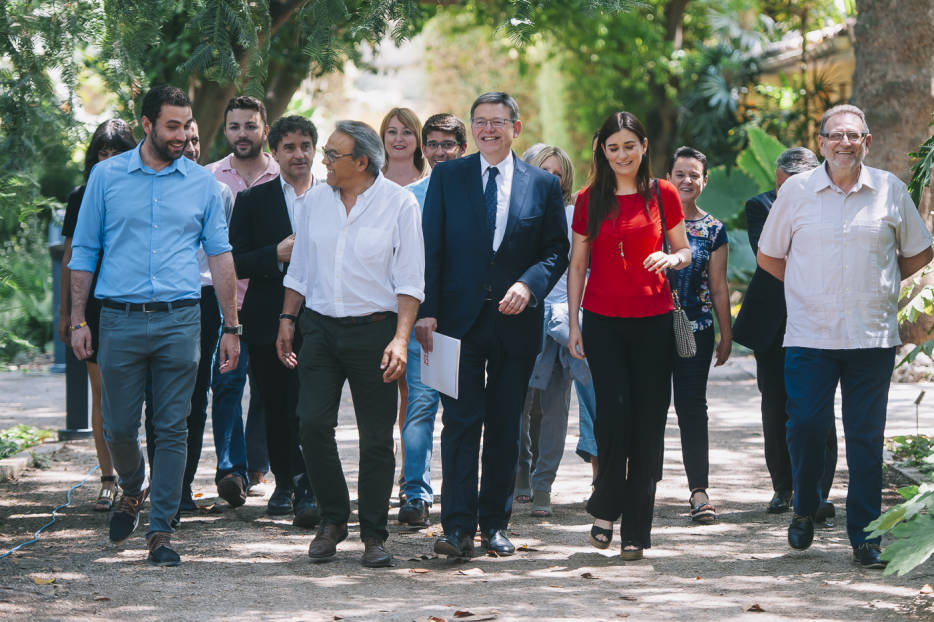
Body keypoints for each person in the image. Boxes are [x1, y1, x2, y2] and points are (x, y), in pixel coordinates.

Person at [69, 85, 241, 566]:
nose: (183, 135)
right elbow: (83, 252)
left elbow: (220, 255)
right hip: (118, 320)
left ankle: (161, 531)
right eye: (172, 125)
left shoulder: (203, 185)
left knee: (173, 427)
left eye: (187, 125)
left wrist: (232, 326)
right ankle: (131, 485)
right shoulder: (106, 178)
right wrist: (78, 318)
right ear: (146, 124)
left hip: (179, 319)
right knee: (119, 426)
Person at [757, 104, 934, 569]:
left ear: (866, 143)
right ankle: (805, 506)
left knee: (865, 441)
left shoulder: (890, 191)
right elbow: (770, 257)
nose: (844, 143)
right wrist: (809, 292)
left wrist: (877, 284)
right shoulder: (796, 192)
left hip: (870, 337)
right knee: (807, 429)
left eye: (853, 136)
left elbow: (917, 252)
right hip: (809, 337)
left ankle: (866, 537)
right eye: (835, 135)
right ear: (820, 143)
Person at [416, 92, 570, 558]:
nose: (487, 130)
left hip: (516, 321)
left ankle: (495, 524)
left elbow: (554, 252)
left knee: (505, 424)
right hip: (455, 323)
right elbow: (431, 248)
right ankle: (457, 528)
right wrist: (426, 310)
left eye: (497, 122)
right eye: (479, 122)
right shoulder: (448, 176)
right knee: (460, 423)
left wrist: (529, 285)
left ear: (515, 128)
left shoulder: (541, 184)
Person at [277, 120, 424, 568]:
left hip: (375, 332)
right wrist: (287, 318)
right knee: (312, 425)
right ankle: (334, 518)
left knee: (376, 437)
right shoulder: (314, 203)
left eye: (332, 155)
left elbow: (410, 279)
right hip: (320, 329)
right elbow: (299, 269)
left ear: (362, 162)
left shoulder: (399, 204)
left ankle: (375, 535)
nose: (323, 162)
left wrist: (400, 339)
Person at [567, 111, 691, 561]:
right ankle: (605, 505)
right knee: (613, 419)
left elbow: (684, 250)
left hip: (654, 322)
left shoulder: (664, 193)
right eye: (613, 147)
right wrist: (575, 322)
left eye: (629, 146)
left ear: (643, 147)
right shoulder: (588, 199)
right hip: (602, 322)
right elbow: (577, 264)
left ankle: (635, 529)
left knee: (648, 426)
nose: (622, 155)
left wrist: (672, 260)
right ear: (603, 150)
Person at [732, 147, 838, 518]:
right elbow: (773, 253)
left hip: (819, 319)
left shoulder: (833, 203)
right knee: (775, 406)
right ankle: (783, 487)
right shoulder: (760, 205)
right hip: (773, 324)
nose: (788, 192)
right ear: (776, 181)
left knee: (818, 408)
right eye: (783, 186)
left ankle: (819, 493)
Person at [142, 120, 239, 523]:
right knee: (159, 400)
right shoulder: (150, 189)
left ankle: (180, 490)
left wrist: (230, 318)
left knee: (195, 399)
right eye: (185, 138)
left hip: (202, 301)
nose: (191, 145)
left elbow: (222, 254)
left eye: (197, 139)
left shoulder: (217, 191)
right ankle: (159, 485)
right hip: (159, 300)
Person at [229, 115, 319, 526]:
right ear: (276, 151)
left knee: (313, 407)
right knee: (278, 406)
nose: (298, 154)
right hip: (267, 318)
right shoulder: (253, 200)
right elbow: (232, 259)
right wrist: (274, 254)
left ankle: (312, 486)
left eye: (305, 146)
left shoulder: (335, 197)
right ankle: (286, 482)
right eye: (289, 147)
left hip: (322, 317)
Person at [205, 95, 280, 506]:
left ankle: (257, 466)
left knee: (268, 387)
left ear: (264, 129)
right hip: (223, 306)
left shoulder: (283, 177)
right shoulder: (208, 178)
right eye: (234, 126)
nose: (242, 134)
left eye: (250, 126)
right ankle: (229, 469)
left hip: (269, 302)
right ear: (226, 130)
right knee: (228, 383)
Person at [58, 119, 136, 512]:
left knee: (139, 398)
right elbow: (70, 258)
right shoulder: (81, 196)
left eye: (116, 153)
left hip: (136, 300)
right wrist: (67, 315)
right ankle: (109, 480)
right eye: (101, 154)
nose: (107, 161)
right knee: (103, 394)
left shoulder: (144, 192)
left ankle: (138, 479)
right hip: (91, 305)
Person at [514, 144, 595, 518]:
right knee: (518, 404)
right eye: (543, 170)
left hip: (566, 319)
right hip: (524, 315)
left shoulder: (576, 213)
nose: (551, 178)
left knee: (556, 407)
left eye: (557, 172)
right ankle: (521, 473)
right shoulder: (516, 214)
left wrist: (577, 314)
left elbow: (588, 268)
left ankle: (544, 482)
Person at [397, 113, 468, 527]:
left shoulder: (479, 192)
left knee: (462, 415)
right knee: (421, 406)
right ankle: (415, 494)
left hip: (468, 322)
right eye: (433, 144)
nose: (440, 152)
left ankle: (460, 495)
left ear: (462, 148)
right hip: (425, 322)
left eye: (448, 145)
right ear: (424, 149)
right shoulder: (411, 197)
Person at [665, 147, 731, 524]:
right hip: (651, 329)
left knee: (692, 409)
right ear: (668, 178)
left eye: (694, 175)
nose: (687, 181)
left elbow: (719, 287)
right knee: (648, 409)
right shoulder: (652, 220)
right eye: (680, 174)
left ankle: (699, 492)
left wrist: (726, 334)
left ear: (704, 181)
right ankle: (641, 487)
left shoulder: (714, 229)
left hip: (697, 330)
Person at [380, 107, 426, 187]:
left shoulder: (431, 183)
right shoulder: (370, 183)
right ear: (383, 138)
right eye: (392, 132)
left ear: (418, 139)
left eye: (407, 132)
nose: (398, 139)